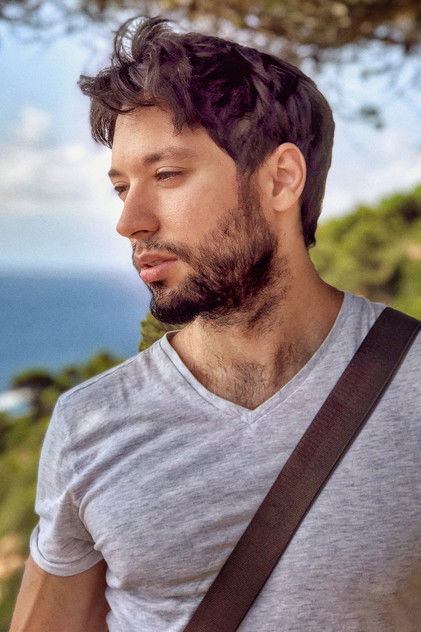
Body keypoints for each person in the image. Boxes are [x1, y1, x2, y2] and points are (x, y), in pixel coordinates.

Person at [10, 14, 420, 632]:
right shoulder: (89, 425)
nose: (130, 221)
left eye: (166, 175)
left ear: (281, 180)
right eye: (122, 187)